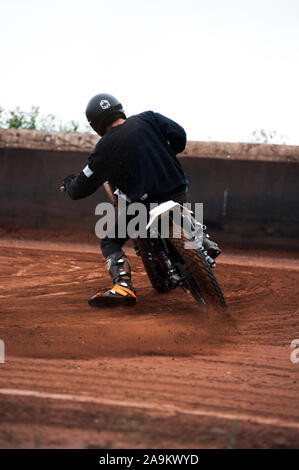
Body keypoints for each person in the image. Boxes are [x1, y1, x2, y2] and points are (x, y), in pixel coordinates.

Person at [62, 93, 220, 307]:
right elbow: (180, 136)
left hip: (142, 206)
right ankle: (202, 240)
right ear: (119, 109)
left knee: (109, 241)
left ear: (95, 124)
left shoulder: (104, 148)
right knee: (181, 206)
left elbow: (81, 186)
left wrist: (69, 184)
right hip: (177, 189)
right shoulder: (149, 118)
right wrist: (165, 151)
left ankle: (123, 285)